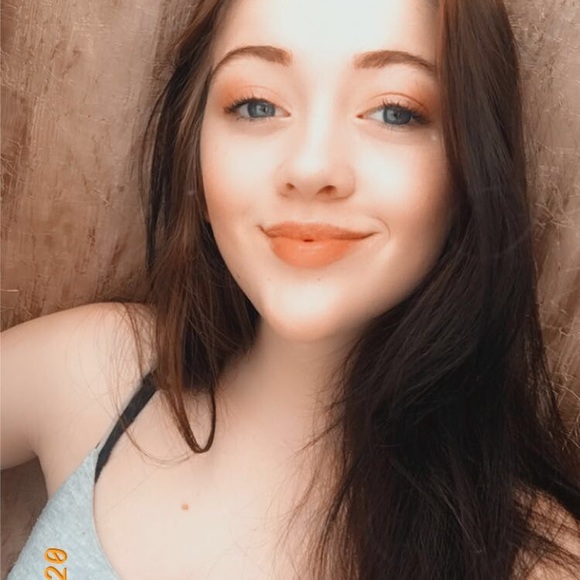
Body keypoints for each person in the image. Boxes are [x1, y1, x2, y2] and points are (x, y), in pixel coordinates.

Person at [2, 0, 580, 578]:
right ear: (193, 156)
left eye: (395, 112)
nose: (310, 167)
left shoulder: (534, 564)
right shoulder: (93, 373)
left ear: (471, 172)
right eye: (256, 105)